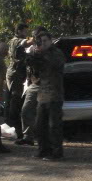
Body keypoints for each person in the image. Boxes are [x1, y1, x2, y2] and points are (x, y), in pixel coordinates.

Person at [27, 30, 66, 160]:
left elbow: (55, 64)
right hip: (42, 94)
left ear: (51, 40)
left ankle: (57, 153)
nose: (43, 43)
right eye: (41, 41)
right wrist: (33, 57)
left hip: (54, 94)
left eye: (45, 41)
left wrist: (41, 54)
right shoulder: (41, 54)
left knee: (54, 126)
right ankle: (43, 150)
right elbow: (35, 69)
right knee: (39, 125)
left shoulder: (57, 53)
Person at [15, 26, 48, 147]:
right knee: (26, 110)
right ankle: (28, 136)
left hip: (46, 83)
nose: (36, 38)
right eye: (35, 36)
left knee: (44, 114)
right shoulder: (32, 49)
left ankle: (44, 138)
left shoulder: (49, 49)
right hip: (34, 83)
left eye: (37, 36)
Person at [5, 22, 29, 139]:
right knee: (15, 102)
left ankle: (16, 127)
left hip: (19, 74)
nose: (26, 33)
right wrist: (37, 38)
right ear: (19, 31)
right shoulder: (15, 40)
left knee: (17, 101)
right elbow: (25, 43)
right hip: (15, 74)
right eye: (25, 31)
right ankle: (15, 129)